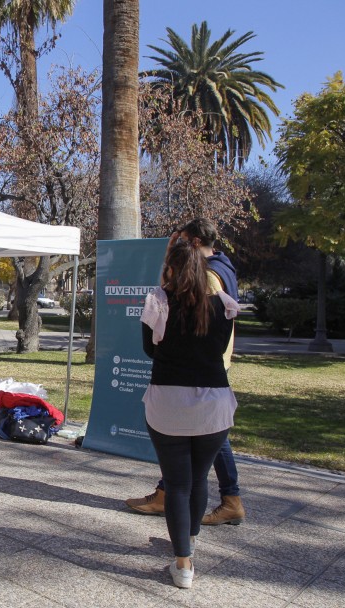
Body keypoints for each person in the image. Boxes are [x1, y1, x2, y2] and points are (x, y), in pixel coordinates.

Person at [126, 218, 246, 526]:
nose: (173, 249)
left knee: (202, 437)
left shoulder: (208, 275)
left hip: (199, 366)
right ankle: (186, 496)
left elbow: (181, 317)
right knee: (207, 434)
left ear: (192, 244)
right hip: (210, 365)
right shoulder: (223, 267)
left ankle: (218, 498)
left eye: (179, 241)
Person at [140, 241, 239, 589]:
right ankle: (189, 541)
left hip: (168, 402)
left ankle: (183, 564)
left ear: (171, 269)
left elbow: (150, 348)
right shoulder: (225, 305)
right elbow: (217, 348)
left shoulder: (158, 301)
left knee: (178, 484)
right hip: (214, 403)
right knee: (198, 480)